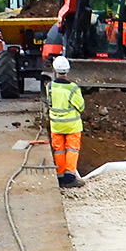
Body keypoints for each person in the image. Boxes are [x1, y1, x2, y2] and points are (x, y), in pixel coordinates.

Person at [47, 56, 86, 188]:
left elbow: (49, 103)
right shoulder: (73, 88)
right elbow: (81, 106)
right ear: (67, 70)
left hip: (56, 125)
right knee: (72, 150)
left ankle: (59, 176)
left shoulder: (50, 87)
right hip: (72, 126)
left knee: (59, 150)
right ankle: (70, 177)